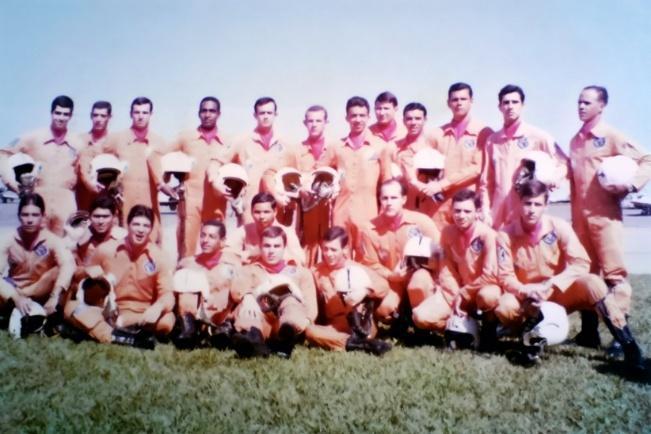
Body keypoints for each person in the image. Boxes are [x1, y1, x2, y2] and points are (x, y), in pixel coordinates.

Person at [494, 180, 645, 373]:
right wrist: (525, 290)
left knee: (593, 283)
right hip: (526, 296)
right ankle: (525, 336)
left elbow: (581, 262)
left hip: (556, 292)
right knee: (505, 306)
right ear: (519, 203)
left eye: (537, 204)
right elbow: (505, 276)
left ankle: (629, 346)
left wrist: (553, 283)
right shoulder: (505, 235)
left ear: (546, 205)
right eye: (527, 203)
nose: (531, 210)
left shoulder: (558, 226)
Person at [568, 85, 651, 352]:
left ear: (601, 106)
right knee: (586, 275)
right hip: (580, 221)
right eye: (579, 102)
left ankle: (620, 334)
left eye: (587, 103)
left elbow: (647, 159)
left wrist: (630, 185)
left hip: (605, 218)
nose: (581, 107)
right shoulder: (575, 141)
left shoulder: (611, 136)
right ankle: (588, 332)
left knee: (614, 275)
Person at [69, 205, 176, 346]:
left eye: (146, 226)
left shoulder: (159, 256)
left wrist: (158, 307)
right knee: (72, 308)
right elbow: (77, 278)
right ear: (128, 226)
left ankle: (110, 329)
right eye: (136, 224)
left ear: (151, 229)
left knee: (166, 322)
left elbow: (167, 294)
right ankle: (122, 334)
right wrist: (86, 272)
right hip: (111, 311)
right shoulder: (106, 249)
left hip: (144, 313)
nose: (141, 230)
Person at [477, 84, 568, 228]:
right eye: (506, 103)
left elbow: (563, 163)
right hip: (498, 215)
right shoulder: (492, 141)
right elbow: (486, 182)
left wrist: (555, 178)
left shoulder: (538, 136)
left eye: (515, 102)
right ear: (500, 107)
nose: (510, 106)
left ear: (522, 105)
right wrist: (485, 210)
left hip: (526, 211)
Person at [355, 178, 440, 326]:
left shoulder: (422, 222)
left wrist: (438, 281)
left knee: (418, 284)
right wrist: (392, 276)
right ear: (380, 200)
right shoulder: (369, 229)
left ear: (403, 199)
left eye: (394, 198)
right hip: (393, 281)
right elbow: (370, 263)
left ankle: (423, 326)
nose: (389, 202)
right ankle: (403, 315)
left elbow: (441, 254)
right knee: (384, 311)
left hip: (420, 278)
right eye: (385, 198)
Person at [230, 226, 317, 358]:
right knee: (247, 306)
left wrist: (307, 321)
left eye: (276, 246)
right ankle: (253, 340)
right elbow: (237, 290)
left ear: (284, 248)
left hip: (291, 322)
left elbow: (311, 303)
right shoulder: (249, 270)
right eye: (267, 246)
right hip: (261, 321)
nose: (271, 251)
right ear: (260, 247)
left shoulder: (300, 273)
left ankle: (285, 340)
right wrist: (247, 297)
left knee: (290, 300)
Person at [1, 95, 83, 235]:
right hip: (38, 200)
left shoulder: (78, 143)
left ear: (71, 116)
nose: (61, 118)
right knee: (36, 243)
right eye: (58, 113)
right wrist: (14, 185)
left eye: (66, 114)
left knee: (66, 244)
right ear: (51, 113)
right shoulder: (34, 138)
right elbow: (3, 154)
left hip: (65, 203)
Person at [305, 226, 392, 355]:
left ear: (344, 249)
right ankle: (363, 344)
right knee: (311, 332)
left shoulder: (356, 268)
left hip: (360, 322)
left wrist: (365, 291)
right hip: (335, 325)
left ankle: (356, 340)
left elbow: (383, 285)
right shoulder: (315, 271)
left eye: (333, 250)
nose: (328, 254)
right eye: (325, 249)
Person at [433, 189, 501, 350]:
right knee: (422, 317)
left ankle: (489, 333)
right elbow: (446, 269)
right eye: (457, 211)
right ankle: (457, 329)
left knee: (489, 296)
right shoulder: (447, 232)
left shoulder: (488, 235)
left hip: (481, 289)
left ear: (477, 212)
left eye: (467, 211)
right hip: (459, 291)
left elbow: (490, 275)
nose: (461, 216)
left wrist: (464, 293)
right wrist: (455, 294)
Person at [169, 96, 237, 256]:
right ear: (199, 113)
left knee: (216, 248)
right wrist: (167, 184)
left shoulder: (228, 141)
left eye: (212, 111)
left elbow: (238, 168)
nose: (207, 115)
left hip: (216, 203)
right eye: (204, 111)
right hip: (190, 201)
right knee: (186, 248)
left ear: (219, 114)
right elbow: (163, 158)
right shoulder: (185, 138)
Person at [423, 83, 493, 229]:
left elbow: (477, 168)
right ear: (448, 103)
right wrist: (432, 184)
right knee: (439, 241)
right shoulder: (436, 134)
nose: (459, 103)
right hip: (440, 204)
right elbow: (424, 167)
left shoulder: (484, 133)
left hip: (468, 204)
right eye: (455, 99)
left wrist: (442, 184)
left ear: (471, 101)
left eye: (463, 99)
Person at [102, 97, 170, 243]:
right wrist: (112, 187)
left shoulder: (159, 142)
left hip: (150, 203)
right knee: (122, 244)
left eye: (145, 112)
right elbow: (98, 161)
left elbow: (167, 173)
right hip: (124, 204)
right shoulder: (116, 139)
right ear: (130, 114)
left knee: (151, 244)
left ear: (151, 114)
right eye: (137, 112)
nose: (140, 116)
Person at [0, 193, 74, 324]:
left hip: (40, 291)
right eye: (25, 215)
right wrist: (15, 297)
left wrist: (54, 296)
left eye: (35, 215)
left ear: (43, 217)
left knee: (62, 269)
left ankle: (52, 312)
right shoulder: (9, 239)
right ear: (19, 216)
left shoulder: (52, 240)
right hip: (14, 291)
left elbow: (68, 264)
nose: (30, 220)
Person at [330, 96, 387, 245]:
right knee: (340, 253)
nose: (358, 119)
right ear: (347, 118)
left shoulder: (380, 146)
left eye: (362, 115)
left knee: (367, 253)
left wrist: (384, 211)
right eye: (353, 115)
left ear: (368, 117)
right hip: (341, 213)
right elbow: (319, 172)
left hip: (368, 212)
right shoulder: (336, 147)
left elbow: (387, 181)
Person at [174, 220, 240, 349]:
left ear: (222, 241)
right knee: (185, 280)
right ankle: (189, 332)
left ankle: (221, 333)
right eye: (203, 235)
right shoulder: (187, 263)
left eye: (212, 237)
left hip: (220, 317)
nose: (205, 240)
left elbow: (239, 294)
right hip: (195, 317)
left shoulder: (232, 263)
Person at [235, 97, 297, 223]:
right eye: (262, 113)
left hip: (277, 209)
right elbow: (219, 164)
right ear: (255, 115)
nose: (266, 116)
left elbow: (295, 179)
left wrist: (289, 204)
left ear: (275, 114)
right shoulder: (242, 143)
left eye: (269, 113)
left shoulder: (287, 146)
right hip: (251, 209)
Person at [295, 105, 338, 266]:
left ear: (326, 122)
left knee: (329, 245)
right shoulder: (297, 150)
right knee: (307, 248)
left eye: (318, 121)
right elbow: (290, 179)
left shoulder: (334, 149)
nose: (314, 124)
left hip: (328, 209)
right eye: (310, 121)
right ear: (304, 123)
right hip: (306, 210)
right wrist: (300, 189)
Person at [224, 192, 305, 265]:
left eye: (266, 212)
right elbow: (225, 252)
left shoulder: (287, 232)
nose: (262, 217)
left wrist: (261, 253)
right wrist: (242, 256)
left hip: (279, 274)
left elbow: (301, 260)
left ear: (275, 212)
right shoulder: (245, 230)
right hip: (252, 273)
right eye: (257, 212)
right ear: (251, 212)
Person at [77, 101, 113, 212]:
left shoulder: (114, 142)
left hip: (106, 199)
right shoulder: (79, 140)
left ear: (109, 117)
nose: (98, 119)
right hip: (83, 199)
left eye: (103, 116)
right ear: (91, 116)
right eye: (95, 115)